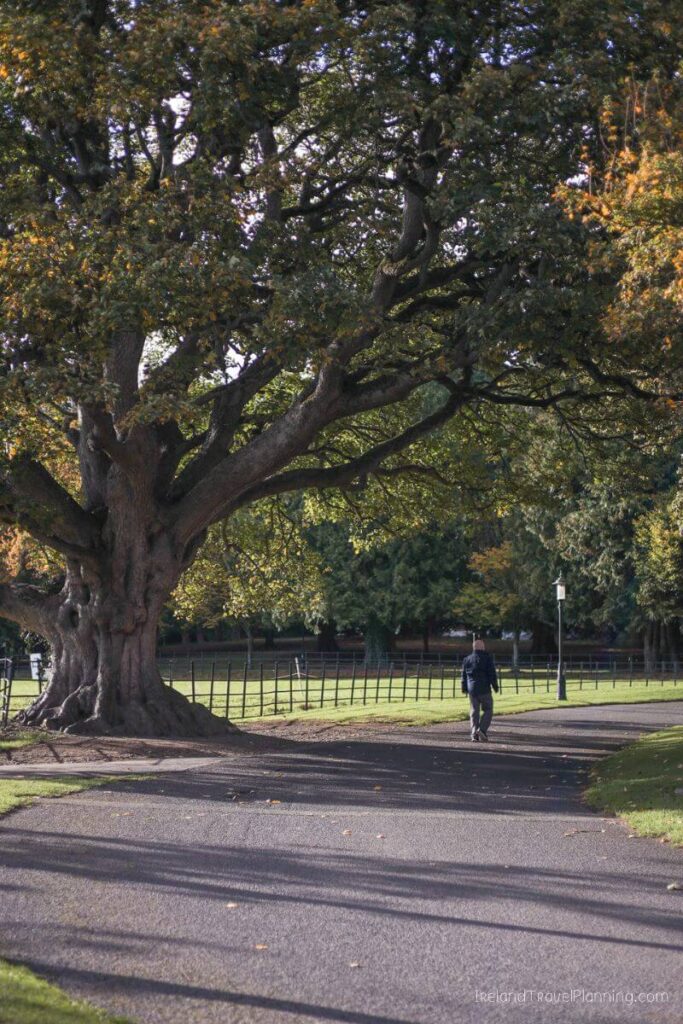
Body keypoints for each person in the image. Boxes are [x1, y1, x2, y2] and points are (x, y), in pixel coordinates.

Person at [461, 638, 498, 741]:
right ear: (482, 647)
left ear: (473, 647)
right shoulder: (487, 658)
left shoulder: (467, 659)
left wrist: (464, 688)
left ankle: (474, 733)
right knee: (488, 709)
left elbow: (463, 675)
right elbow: (491, 674)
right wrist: (495, 686)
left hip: (472, 689)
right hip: (484, 689)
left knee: (474, 711)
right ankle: (482, 729)